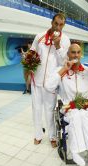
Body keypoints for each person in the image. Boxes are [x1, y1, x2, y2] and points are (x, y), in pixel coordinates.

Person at [45, 44, 88, 166]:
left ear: (81, 54)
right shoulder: (60, 71)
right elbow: (48, 86)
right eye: (73, 52)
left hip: (86, 108)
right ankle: (75, 151)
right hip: (68, 108)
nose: (76, 55)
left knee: (85, 117)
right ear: (68, 54)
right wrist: (64, 69)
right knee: (76, 116)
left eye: (78, 52)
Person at [30, 13, 70, 147]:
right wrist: (28, 62)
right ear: (51, 22)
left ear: (63, 25)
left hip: (51, 83)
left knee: (49, 110)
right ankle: (37, 135)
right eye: (56, 23)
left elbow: (64, 62)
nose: (58, 27)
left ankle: (52, 136)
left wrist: (58, 46)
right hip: (36, 80)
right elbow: (32, 53)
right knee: (36, 109)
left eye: (61, 25)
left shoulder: (65, 40)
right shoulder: (39, 36)